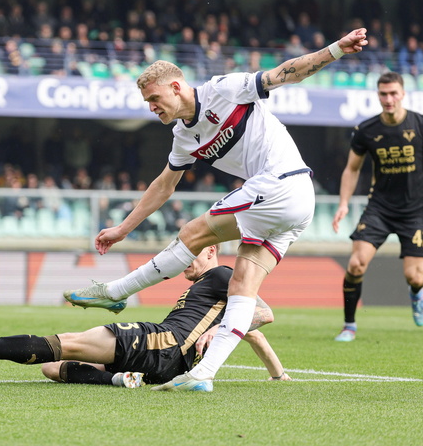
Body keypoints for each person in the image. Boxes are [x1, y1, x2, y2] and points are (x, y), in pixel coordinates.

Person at [63, 29, 368, 391]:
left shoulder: (223, 89)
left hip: (281, 184)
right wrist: (122, 229)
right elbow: (163, 186)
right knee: (241, 286)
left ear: (176, 87)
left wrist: (336, 49)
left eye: (155, 98)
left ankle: (117, 292)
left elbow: (286, 72)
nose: (152, 107)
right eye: (147, 102)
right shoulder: (183, 137)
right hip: (295, 204)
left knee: (192, 233)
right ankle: (203, 375)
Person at [0, 246, 290, 389]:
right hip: (170, 364)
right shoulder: (210, 289)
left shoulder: (221, 275)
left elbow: (264, 313)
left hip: (162, 343)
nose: (185, 261)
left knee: (70, 343)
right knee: (52, 368)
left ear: (212, 250)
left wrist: (218, 334)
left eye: (192, 253)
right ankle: (121, 378)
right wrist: (279, 375)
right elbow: (254, 332)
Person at [331, 72, 423, 342]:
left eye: (393, 93)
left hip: (416, 212)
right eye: (383, 94)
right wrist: (343, 203)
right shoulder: (366, 130)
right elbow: (351, 169)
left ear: (402, 94)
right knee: (356, 265)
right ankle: (349, 325)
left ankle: (416, 292)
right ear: (378, 95)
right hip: (379, 209)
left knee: (415, 276)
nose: (388, 99)